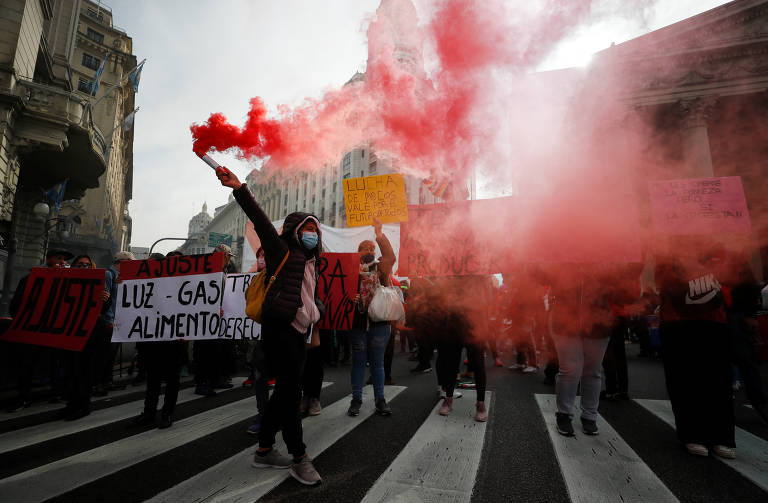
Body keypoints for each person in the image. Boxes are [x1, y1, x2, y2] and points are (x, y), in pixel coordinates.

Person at [219, 168, 324, 487]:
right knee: (291, 396)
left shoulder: (310, 261)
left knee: (285, 393)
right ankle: (299, 457)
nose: (312, 234)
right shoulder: (283, 252)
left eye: (315, 230)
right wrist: (240, 189)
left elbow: (306, 299)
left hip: (298, 332)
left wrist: (313, 325)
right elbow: (263, 223)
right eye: (307, 229)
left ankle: (264, 450)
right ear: (294, 231)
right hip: (281, 331)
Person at [656, 241, 735, 458]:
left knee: (718, 378)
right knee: (683, 378)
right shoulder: (665, 248)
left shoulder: (717, 245)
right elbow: (661, 279)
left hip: (714, 319)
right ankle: (692, 434)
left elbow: (730, 275)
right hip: (677, 321)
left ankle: (721, 436)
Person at [6, 248, 73, 412]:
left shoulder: (68, 281)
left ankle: (57, 392)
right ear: (48, 259)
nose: (62, 262)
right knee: (28, 363)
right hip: (34, 330)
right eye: (58, 258)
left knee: (56, 362)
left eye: (64, 259)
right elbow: (16, 306)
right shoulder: (30, 279)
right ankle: (23, 396)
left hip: (56, 330)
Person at [347, 218, 396, 418]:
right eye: (364, 248)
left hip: (379, 323)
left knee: (377, 362)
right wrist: (351, 297)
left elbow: (391, 256)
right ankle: (356, 399)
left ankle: (380, 399)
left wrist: (379, 234)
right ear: (357, 253)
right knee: (358, 362)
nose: (369, 250)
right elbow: (341, 292)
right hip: (358, 323)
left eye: (372, 248)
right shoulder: (350, 271)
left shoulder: (381, 268)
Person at [59, 254, 112, 420]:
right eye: (80, 264)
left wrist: (105, 300)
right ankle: (71, 404)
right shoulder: (65, 281)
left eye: (87, 265)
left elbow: (101, 310)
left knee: (85, 371)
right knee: (70, 370)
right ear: (74, 266)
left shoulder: (99, 284)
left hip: (90, 334)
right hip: (69, 332)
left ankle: (83, 405)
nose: (84, 267)